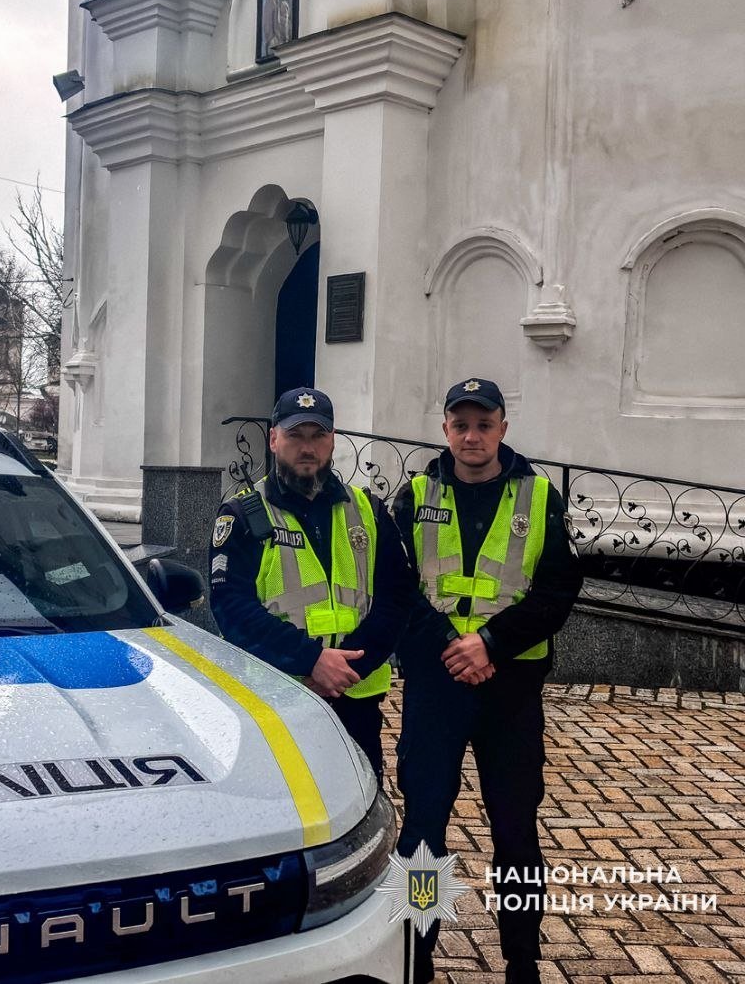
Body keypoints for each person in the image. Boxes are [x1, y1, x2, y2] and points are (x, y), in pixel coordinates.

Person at [392, 378, 583, 984]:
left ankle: (521, 961)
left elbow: (559, 589)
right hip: (437, 683)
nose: (472, 436)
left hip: (510, 686)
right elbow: (393, 588)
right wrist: (453, 646)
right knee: (423, 827)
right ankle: (417, 952)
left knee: (516, 830)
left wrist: (492, 643)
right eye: (460, 425)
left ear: (503, 427)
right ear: (445, 429)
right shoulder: (414, 494)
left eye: (484, 424)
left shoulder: (539, 494)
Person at [209, 387, 415, 783]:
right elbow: (232, 608)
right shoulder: (244, 513)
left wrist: (346, 667)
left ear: (333, 439)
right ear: (273, 439)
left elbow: (396, 595)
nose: (307, 448)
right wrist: (312, 661)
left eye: (318, 435)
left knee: (358, 801)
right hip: (279, 695)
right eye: (295, 435)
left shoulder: (367, 509)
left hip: (355, 695)